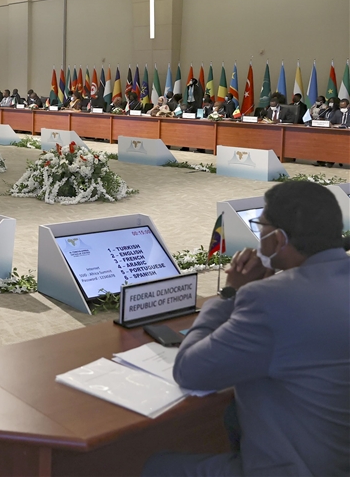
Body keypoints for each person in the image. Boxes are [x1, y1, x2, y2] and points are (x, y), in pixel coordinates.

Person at [143, 181, 349, 477]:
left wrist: (229, 294)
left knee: (154, 465)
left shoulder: (269, 298)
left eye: (261, 226)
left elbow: (189, 371)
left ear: (279, 239)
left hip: (295, 469)